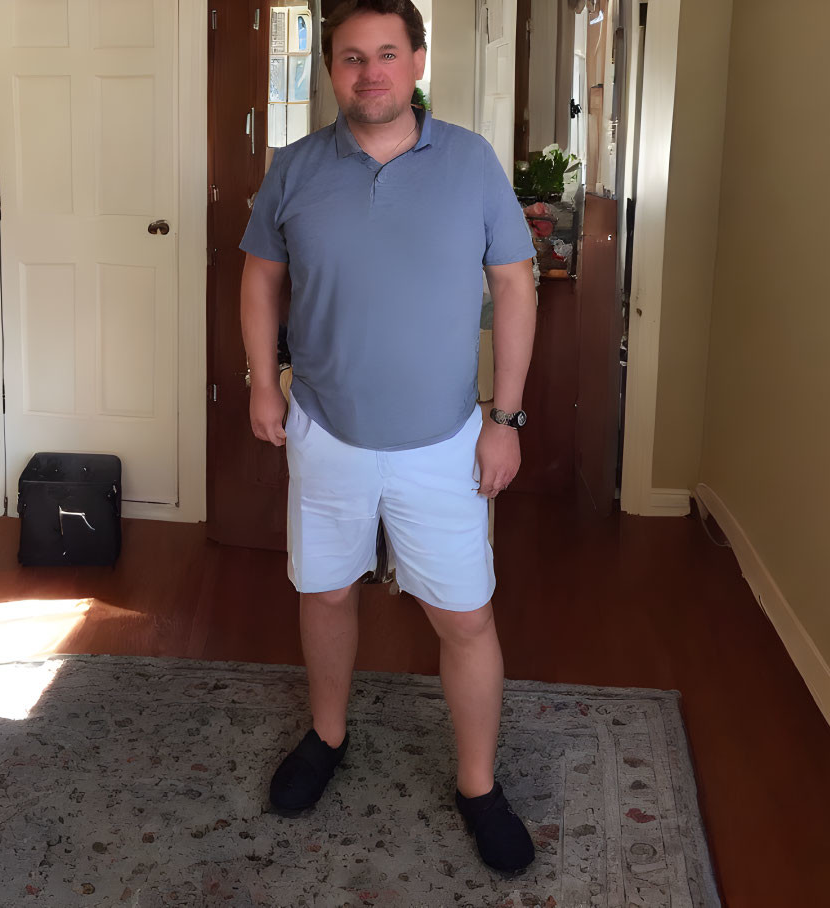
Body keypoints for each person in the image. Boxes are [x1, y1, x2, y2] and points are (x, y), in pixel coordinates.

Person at [239, 0, 539, 875]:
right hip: (324, 429)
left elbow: (515, 289)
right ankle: (327, 737)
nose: (368, 72)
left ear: (415, 60)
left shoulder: (472, 163)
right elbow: (260, 280)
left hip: (443, 442)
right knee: (326, 593)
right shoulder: (293, 168)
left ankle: (476, 785)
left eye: (384, 54)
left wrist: (505, 418)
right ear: (329, 70)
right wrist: (264, 381)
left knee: (466, 619)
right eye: (348, 58)